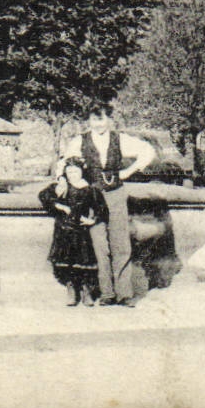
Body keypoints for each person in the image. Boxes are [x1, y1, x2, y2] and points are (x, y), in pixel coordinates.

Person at [61, 107, 156, 306]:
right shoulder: (79, 141)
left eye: (102, 119)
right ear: (88, 121)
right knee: (99, 245)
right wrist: (62, 180)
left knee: (120, 243)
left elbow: (148, 151)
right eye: (94, 120)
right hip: (92, 196)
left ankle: (124, 293)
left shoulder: (120, 139)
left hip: (116, 194)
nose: (99, 124)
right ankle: (107, 293)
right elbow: (65, 163)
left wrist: (129, 171)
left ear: (109, 119)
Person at [40, 158, 106, 306]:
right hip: (63, 229)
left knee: (83, 261)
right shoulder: (61, 186)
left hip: (81, 230)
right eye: (69, 172)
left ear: (82, 172)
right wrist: (59, 205)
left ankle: (86, 291)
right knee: (66, 262)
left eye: (75, 171)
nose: (72, 175)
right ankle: (72, 291)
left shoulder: (89, 189)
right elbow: (43, 196)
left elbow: (102, 209)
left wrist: (92, 220)